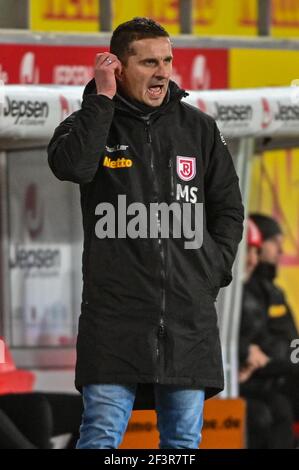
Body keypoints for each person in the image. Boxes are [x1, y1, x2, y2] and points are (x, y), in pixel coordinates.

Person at [48, 17, 244, 449]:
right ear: (117, 67)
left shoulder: (200, 129)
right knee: (100, 437)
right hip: (113, 319)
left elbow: (229, 209)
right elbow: (73, 167)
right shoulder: (89, 124)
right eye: (149, 62)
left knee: (182, 445)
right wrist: (101, 100)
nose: (162, 72)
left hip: (187, 319)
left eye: (168, 60)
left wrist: (210, 271)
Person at [239, 214, 299, 448]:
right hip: (261, 376)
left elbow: (291, 339)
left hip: (281, 370)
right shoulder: (236, 294)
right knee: (273, 410)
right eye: (275, 241)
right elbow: (255, 344)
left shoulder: (273, 291)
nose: (281, 249)